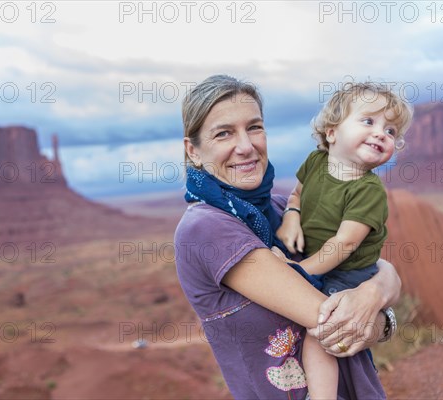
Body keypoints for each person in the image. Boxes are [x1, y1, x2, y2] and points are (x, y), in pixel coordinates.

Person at [174, 74, 401, 399]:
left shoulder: (284, 209)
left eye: (254, 127)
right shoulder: (206, 228)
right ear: (193, 151)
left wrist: (374, 293)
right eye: (224, 133)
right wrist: (382, 307)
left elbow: (375, 267)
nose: (245, 146)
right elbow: (329, 323)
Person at [275, 82, 413, 399]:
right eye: (369, 121)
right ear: (332, 132)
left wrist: (296, 273)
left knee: (321, 329)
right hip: (315, 261)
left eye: (391, 131)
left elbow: (344, 244)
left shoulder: (368, 191)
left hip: (347, 273)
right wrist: (292, 216)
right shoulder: (314, 162)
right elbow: (296, 194)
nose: (382, 133)